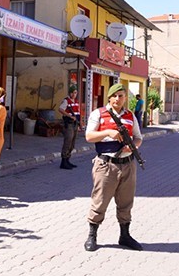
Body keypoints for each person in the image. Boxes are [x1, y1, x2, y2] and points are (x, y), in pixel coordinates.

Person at [83, 83, 143, 252]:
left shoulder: (130, 115)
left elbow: (138, 138)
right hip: (106, 165)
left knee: (126, 202)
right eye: (115, 96)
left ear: (125, 98)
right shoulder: (99, 114)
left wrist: (133, 147)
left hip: (128, 164)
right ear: (109, 97)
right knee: (100, 201)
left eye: (121, 96)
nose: (118, 99)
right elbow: (89, 136)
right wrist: (108, 133)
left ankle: (125, 235)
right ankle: (92, 235)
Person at [58, 85, 80, 170]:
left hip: (75, 124)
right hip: (69, 124)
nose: (74, 94)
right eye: (73, 92)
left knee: (72, 143)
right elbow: (60, 109)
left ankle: (68, 160)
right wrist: (69, 116)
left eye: (75, 92)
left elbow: (77, 112)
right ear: (70, 93)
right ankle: (63, 161)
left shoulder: (76, 101)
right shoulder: (66, 101)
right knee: (68, 142)